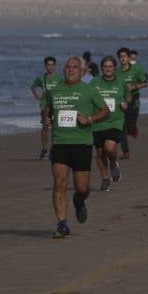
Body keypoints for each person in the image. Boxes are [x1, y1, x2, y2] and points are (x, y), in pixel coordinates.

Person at [43, 56, 110, 239]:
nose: (70, 70)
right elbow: (47, 109)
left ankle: (79, 201)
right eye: (67, 67)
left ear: (81, 71)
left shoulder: (89, 91)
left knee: (82, 188)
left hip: (82, 144)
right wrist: (46, 119)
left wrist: (90, 119)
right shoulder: (55, 91)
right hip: (60, 143)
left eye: (74, 67)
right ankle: (62, 224)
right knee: (59, 184)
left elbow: (105, 111)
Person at [91, 56, 130, 193]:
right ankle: (105, 180)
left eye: (110, 66)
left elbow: (128, 96)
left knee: (109, 147)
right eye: (105, 66)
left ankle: (113, 163)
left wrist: (126, 104)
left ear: (114, 68)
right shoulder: (94, 82)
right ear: (102, 68)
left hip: (115, 120)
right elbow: (88, 98)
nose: (107, 69)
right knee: (100, 153)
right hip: (98, 122)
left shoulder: (121, 82)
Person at [30, 56, 61, 159]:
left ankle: (53, 149)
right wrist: (37, 96)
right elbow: (33, 86)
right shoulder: (41, 78)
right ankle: (44, 148)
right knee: (45, 126)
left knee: (55, 128)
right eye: (48, 65)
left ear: (55, 66)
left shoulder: (60, 78)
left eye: (52, 65)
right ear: (45, 66)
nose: (50, 67)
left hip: (56, 105)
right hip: (44, 105)